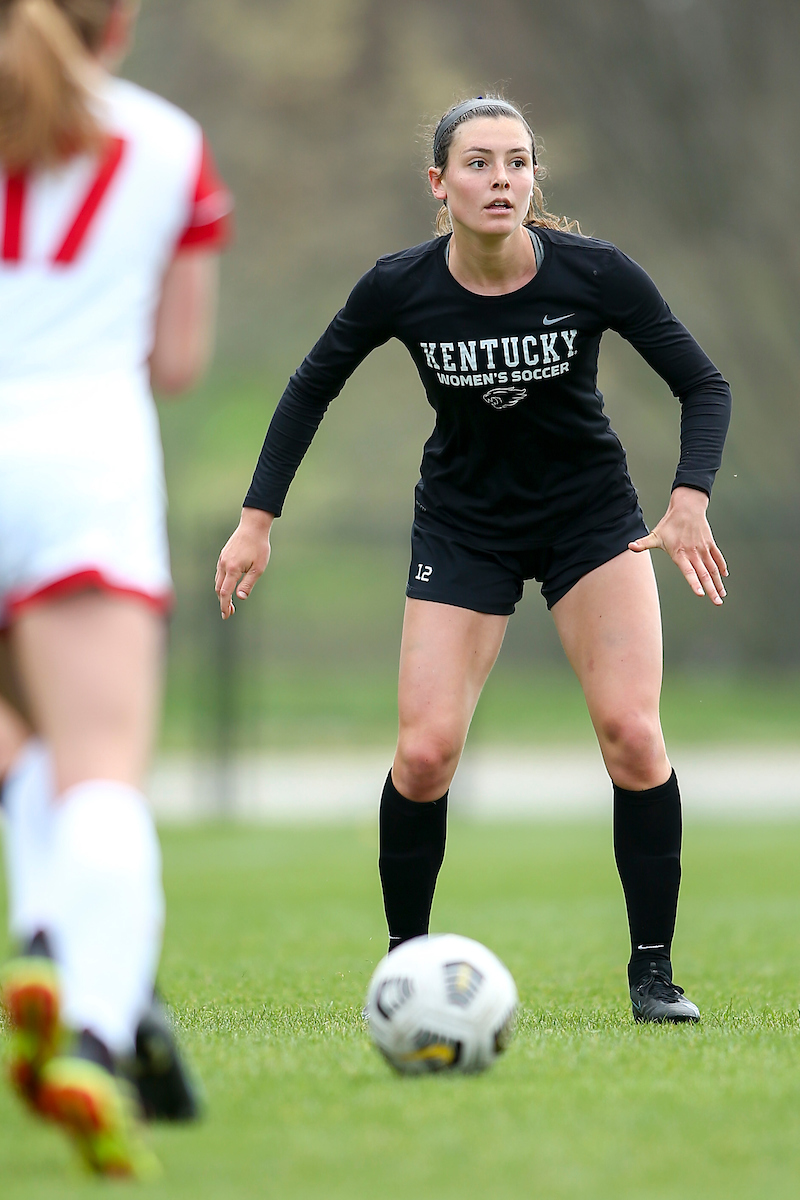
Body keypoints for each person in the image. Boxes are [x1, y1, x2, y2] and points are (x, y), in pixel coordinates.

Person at [215, 96, 730, 1026]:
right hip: (464, 527)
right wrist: (257, 519)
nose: (502, 181)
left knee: (632, 735)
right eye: (480, 163)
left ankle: (654, 974)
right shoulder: (399, 286)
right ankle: (403, 971)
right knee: (424, 755)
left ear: (535, 178)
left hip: (588, 522)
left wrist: (688, 496)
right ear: (439, 182)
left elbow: (703, 382)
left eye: (518, 162)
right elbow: (309, 388)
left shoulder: (595, 272)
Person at [0, 0, 231, 1177]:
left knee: (23, 748)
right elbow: (176, 361)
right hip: (85, 464)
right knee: (99, 769)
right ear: (119, 23)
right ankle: (92, 1025)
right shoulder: (165, 141)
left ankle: (44, 924)